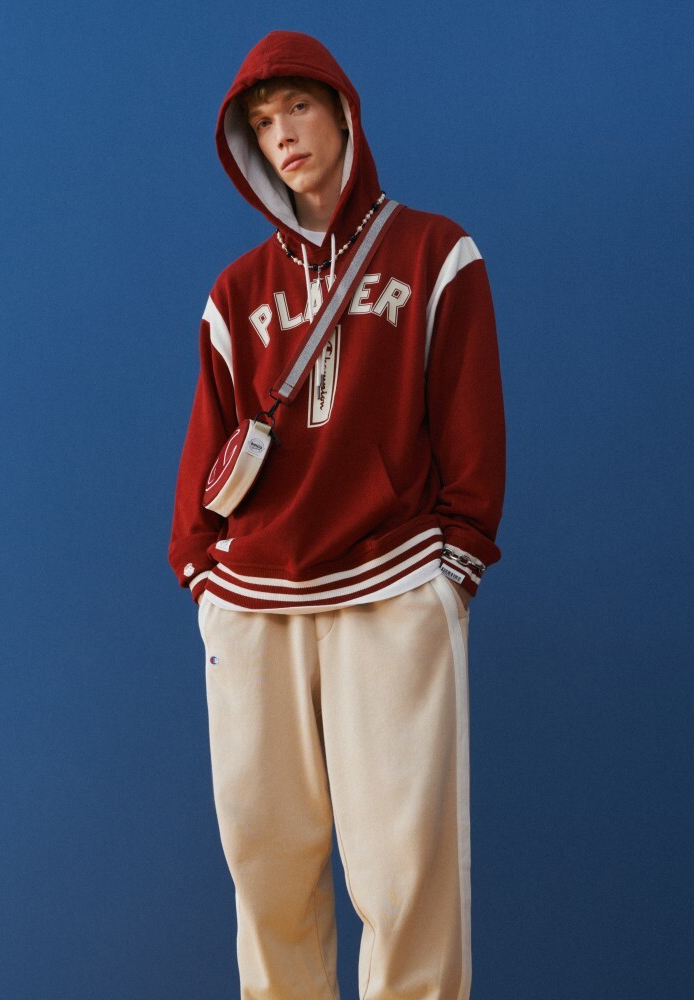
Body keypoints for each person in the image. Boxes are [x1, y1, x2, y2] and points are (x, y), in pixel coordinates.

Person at [169, 30, 505, 999]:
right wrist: (205, 578)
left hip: (390, 585)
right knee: (266, 870)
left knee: (403, 876)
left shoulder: (436, 254)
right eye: (262, 122)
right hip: (256, 604)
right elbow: (206, 449)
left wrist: (452, 566)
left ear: (344, 114)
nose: (283, 135)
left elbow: (472, 430)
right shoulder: (236, 292)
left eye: (298, 108)